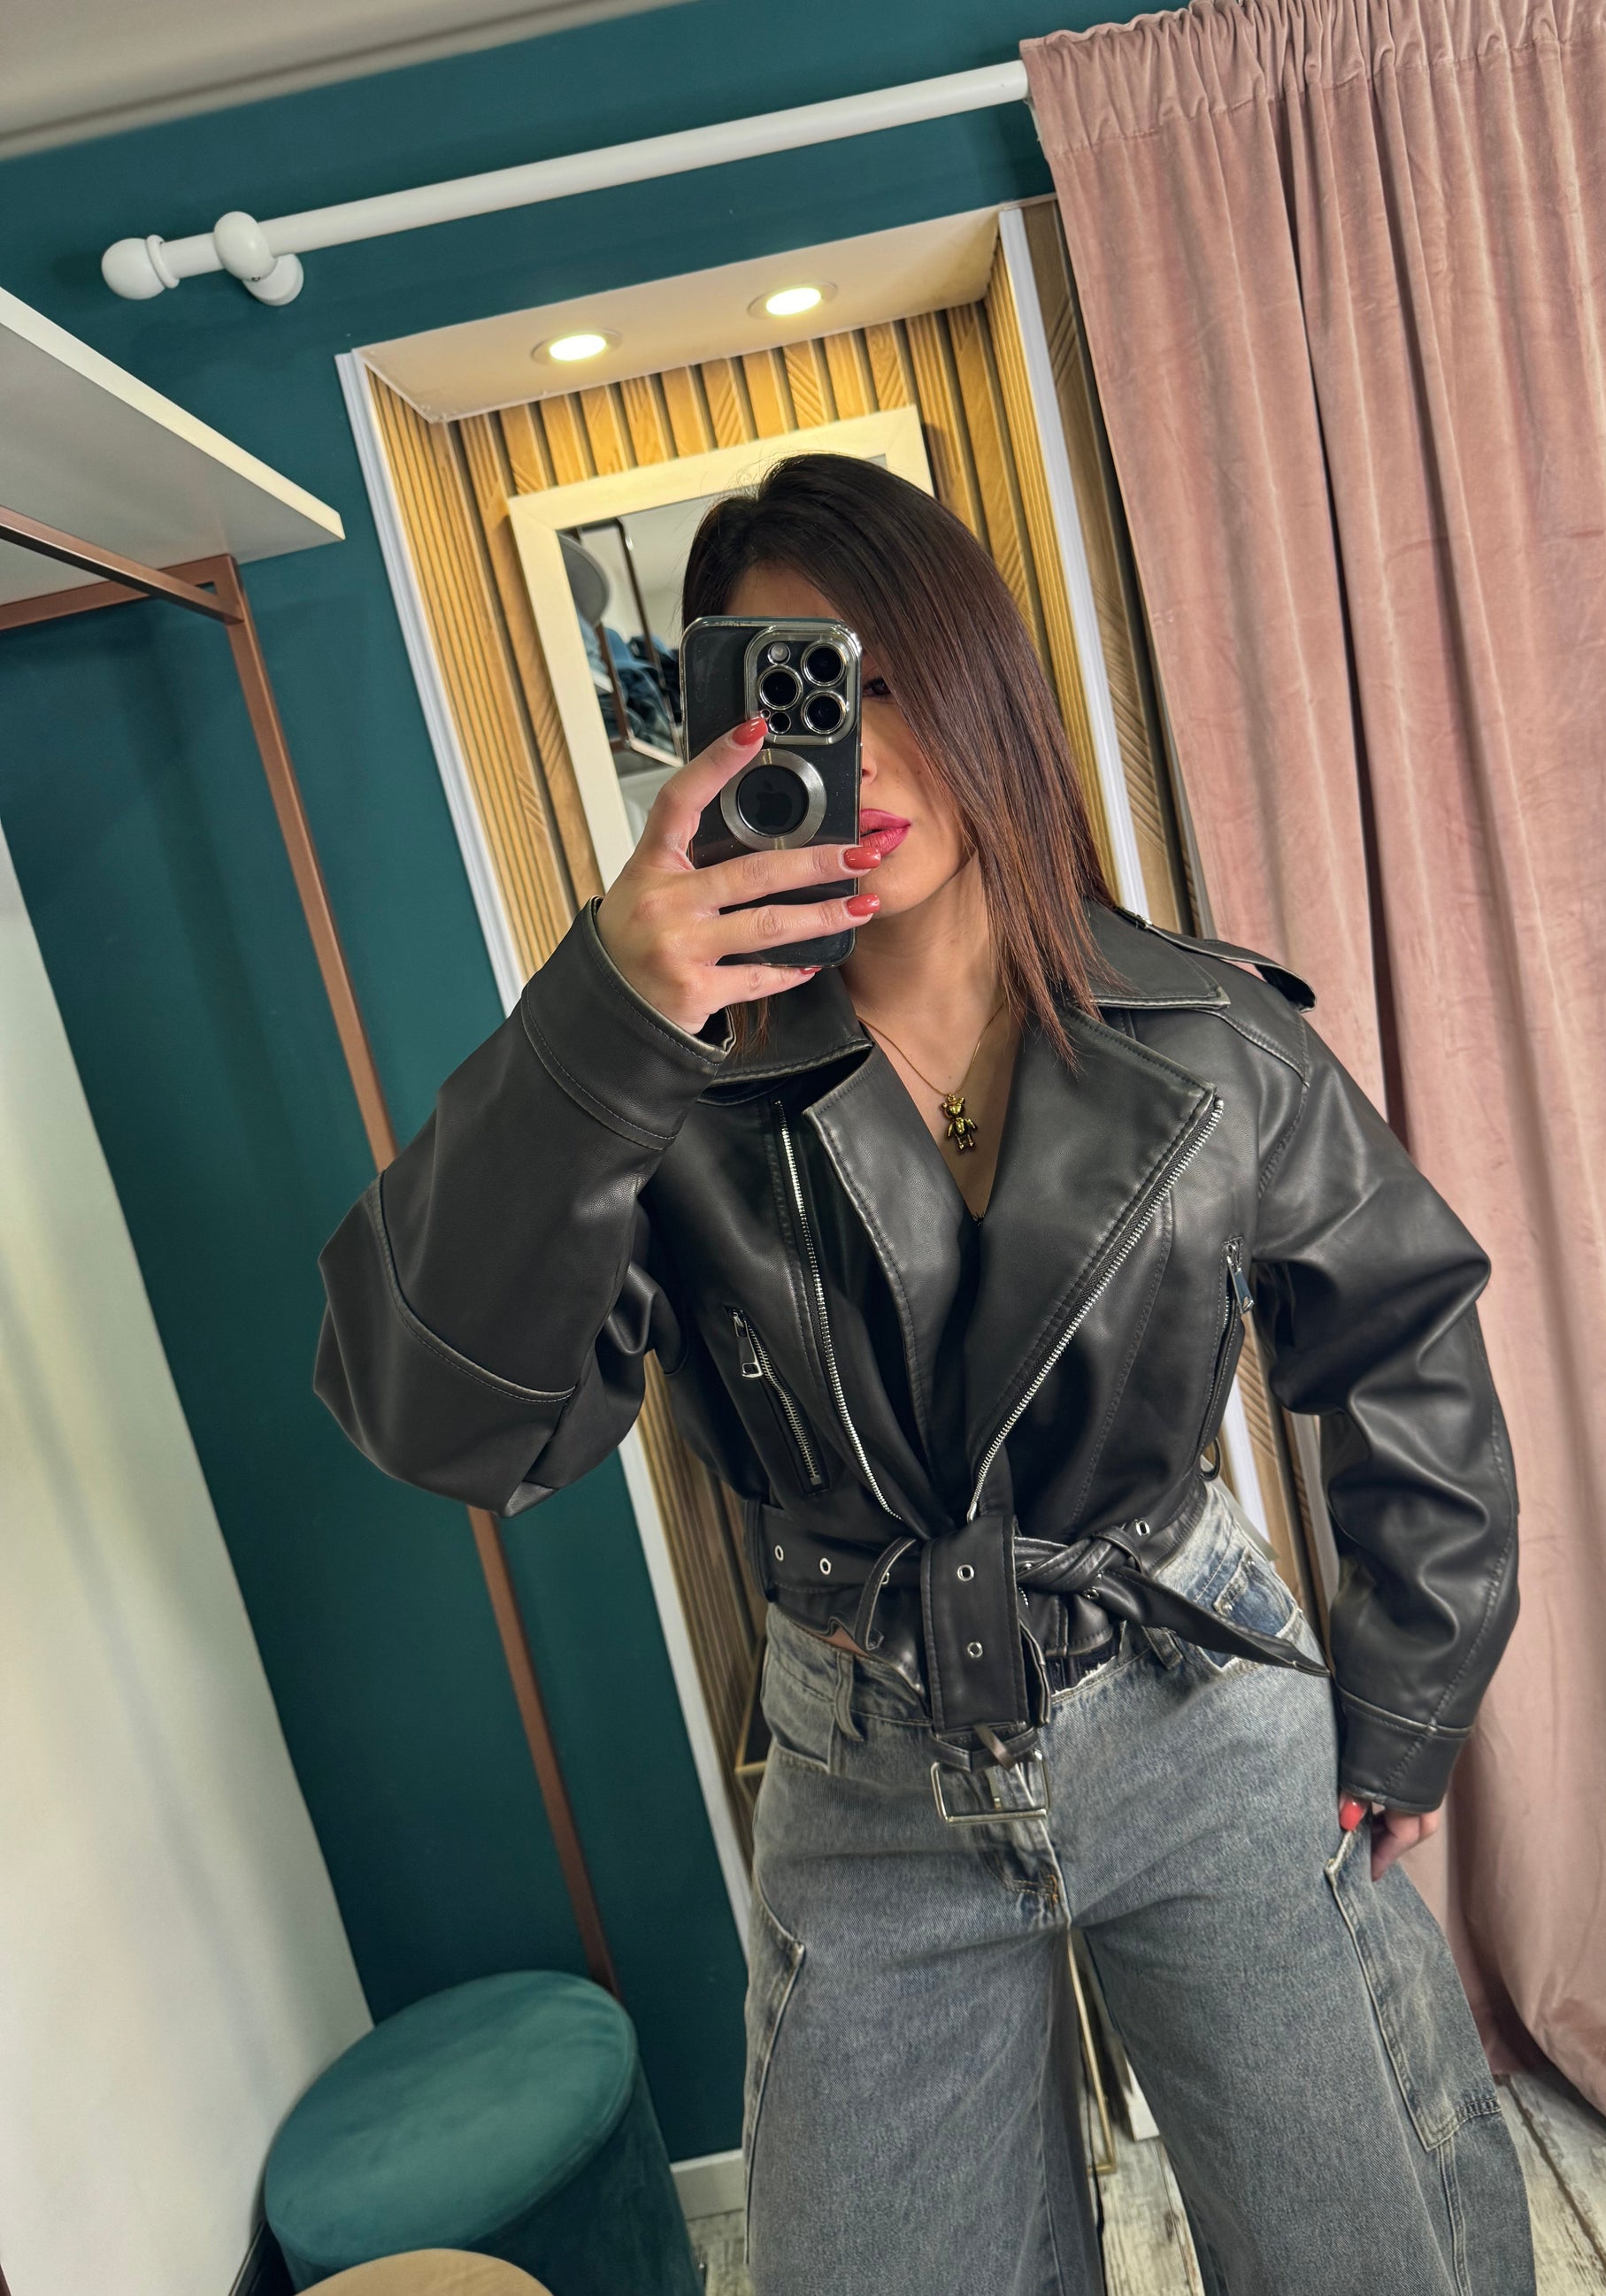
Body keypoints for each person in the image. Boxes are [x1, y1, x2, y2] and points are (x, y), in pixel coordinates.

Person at [314, 454, 1536, 2295]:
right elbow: (447, 1418)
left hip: (1197, 1707)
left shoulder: (1211, 1032)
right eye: (798, 691)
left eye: (892, 677)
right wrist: (600, 1016)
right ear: (721, 735)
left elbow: (1407, 1330)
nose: (860, 744)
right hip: (867, 1762)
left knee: (1360, 2254)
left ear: (985, 691)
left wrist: (1406, 1694)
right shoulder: (661, 1083)